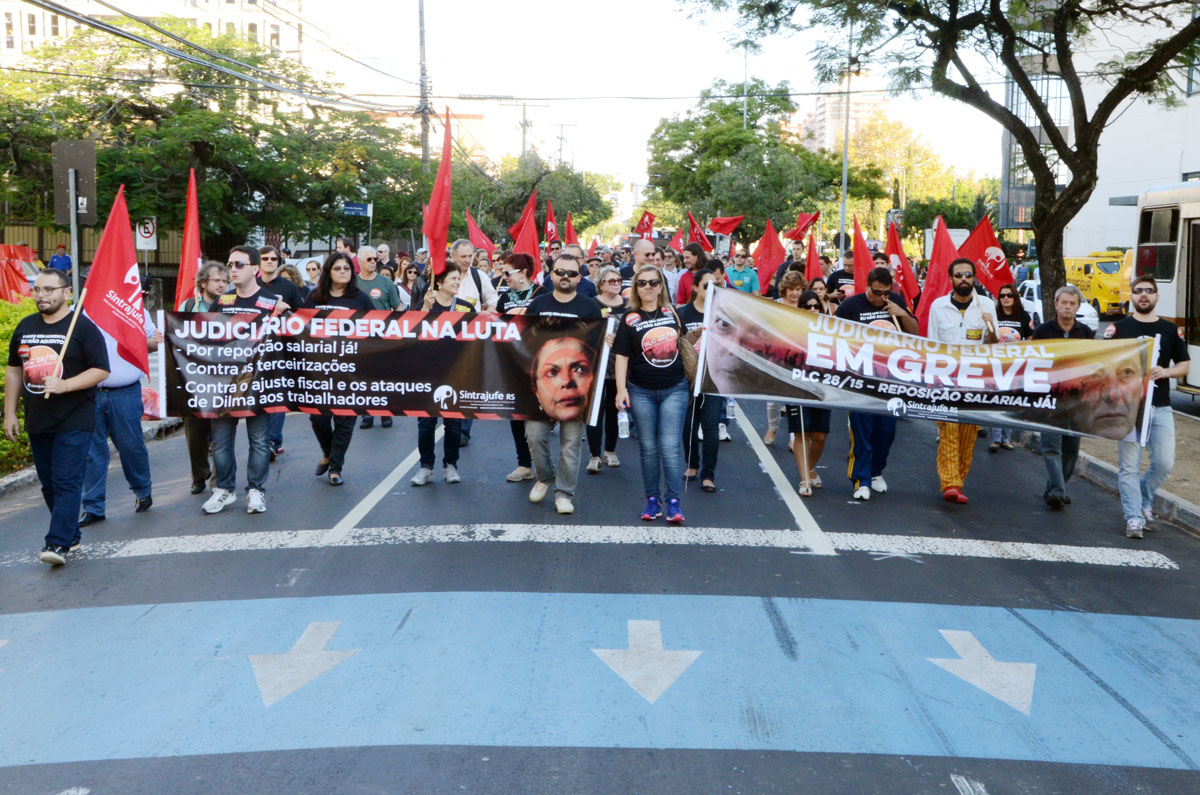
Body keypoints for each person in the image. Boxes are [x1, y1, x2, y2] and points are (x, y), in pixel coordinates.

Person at [5, 269, 110, 565]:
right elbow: (15, 370)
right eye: (37, 290)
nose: (42, 296)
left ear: (67, 293)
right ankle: (70, 533)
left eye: (49, 290)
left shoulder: (83, 328)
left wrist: (65, 385)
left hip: (74, 417)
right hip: (38, 417)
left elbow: (101, 369)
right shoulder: (25, 327)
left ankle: (57, 543)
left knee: (67, 480)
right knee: (49, 483)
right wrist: (10, 412)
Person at [202, 246, 282, 515]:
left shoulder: (272, 302)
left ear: (255, 269)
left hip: (259, 383)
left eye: (238, 264)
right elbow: (204, 335)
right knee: (222, 441)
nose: (232, 270)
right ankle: (224, 489)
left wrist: (281, 316)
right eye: (230, 264)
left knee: (259, 440)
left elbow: (289, 340)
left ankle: (256, 490)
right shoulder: (222, 301)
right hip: (225, 383)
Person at [1109, 274, 1189, 538]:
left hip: (1161, 406)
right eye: (1138, 290)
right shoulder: (1119, 329)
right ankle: (1133, 517)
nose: (1143, 294)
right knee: (1129, 465)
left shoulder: (1168, 329)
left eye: (1149, 290)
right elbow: (1104, 365)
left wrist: (1164, 373)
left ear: (1156, 296)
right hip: (1129, 407)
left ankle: (1143, 498)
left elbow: (1185, 365)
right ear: (1131, 296)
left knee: (1165, 461)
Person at [523, 252, 602, 514]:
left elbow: (596, 346)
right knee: (534, 437)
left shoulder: (590, 307)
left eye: (571, 273)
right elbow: (523, 341)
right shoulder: (538, 303)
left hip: (576, 387)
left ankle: (564, 493)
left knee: (571, 444)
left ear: (579, 277)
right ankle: (545, 477)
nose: (565, 277)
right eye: (560, 272)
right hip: (543, 386)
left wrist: (607, 340)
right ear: (551, 274)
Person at [77, 287, 162, 528]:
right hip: (88, 393)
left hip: (124, 392)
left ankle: (142, 491)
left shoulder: (133, 311)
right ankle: (93, 506)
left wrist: (130, 338)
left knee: (130, 445)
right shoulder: (77, 313)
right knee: (92, 453)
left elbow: (153, 344)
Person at [835, 267, 918, 500]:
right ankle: (861, 479)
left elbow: (915, 331)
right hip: (860, 379)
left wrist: (901, 313)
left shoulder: (895, 303)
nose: (882, 297)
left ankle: (875, 471)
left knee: (886, 431)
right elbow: (835, 338)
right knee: (862, 432)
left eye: (886, 293)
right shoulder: (850, 307)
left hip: (889, 380)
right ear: (867, 286)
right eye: (877, 292)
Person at [616, 264, 689, 523]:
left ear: (661, 287)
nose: (648, 287)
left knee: (670, 448)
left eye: (653, 282)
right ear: (635, 287)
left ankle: (673, 502)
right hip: (640, 391)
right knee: (648, 448)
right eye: (642, 283)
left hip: (675, 389)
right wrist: (621, 389)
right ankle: (652, 500)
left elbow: (687, 344)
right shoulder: (628, 319)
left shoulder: (673, 313)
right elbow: (622, 356)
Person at [927, 258, 998, 503]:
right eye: (959, 275)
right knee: (948, 430)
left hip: (975, 382)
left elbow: (994, 347)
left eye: (968, 274)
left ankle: (959, 481)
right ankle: (950, 483)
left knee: (968, 433)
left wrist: (990, 329)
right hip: (946, 380)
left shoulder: (987, 304)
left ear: (975, 277)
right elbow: (932, 344)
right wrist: (932, 381)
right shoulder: (938, 307)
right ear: (951, 279)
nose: (964, 279)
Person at [301, 253, 374, 486]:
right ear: (328, 272)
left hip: (350, 371)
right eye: (338, 268)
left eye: (347, 268)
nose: (343, 272)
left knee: (345, 420)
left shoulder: (361, 299)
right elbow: (299, 325)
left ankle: (335, 467)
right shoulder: (315, 297)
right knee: (318, 418)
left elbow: (378, 326)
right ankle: (328, 452)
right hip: (320, 370)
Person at [410, 264, 475, 487]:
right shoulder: (426, 305)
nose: (457, 282)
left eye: (459, 278)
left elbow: (478, 338)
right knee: (426, 423)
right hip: (428, 373)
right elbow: (413, 333)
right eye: (453, 278)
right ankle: (426, 467)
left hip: (456, 373)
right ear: (439, 282)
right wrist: (424, 310)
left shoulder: (466, 308)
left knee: (454, 424)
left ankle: (451, 466)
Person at [1031, 284, 1094, 509]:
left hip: (1076, 401)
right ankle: (1058, 491)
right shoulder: (1042, 332)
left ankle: (1055, 487)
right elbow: (1032, 363)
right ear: (1056, 304)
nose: (1067, 307)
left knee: (1071, 449)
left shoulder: (1086, 333)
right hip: (1050, 400)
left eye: (1072, 304)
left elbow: (1092, 364)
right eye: (1064, 303)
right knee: (1050, 446)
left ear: (1077, 307)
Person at [180, 262, 228, 494]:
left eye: (224, 281)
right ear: (203, 283)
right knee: (196, 434)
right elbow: (175, 333)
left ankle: (218, 481)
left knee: (221, 432)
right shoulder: (188, 306)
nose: (222, 284)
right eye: (217, 280)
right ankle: (199, 475)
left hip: (223, 380)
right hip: (194, 380)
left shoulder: (231, 306)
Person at [496, 253, 544, 483]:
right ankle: (524, 465)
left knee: (539, 415)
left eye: (508, 273)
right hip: (513, 363)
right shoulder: (504, 298)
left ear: (524, 272)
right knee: (516, 413)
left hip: (540, 364)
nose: (504, 277)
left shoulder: (543, 295)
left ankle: (543, 464)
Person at [679, 269, 722, 492]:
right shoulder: (684, 313)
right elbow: (677, 343)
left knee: (711, 426)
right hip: (688, 378)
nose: (711, 290)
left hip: (714, 377)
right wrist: (693, 334)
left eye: (716, 285)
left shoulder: (722, 312)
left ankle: (708, 474)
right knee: (688, 424)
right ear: (695, 287)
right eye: (707, 285)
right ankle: (692, 463)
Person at [586, 265, 628, 474]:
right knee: (595, 410)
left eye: (619, 280)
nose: (617, 284)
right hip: (596, 363)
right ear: (601, 284)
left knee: (614, 408)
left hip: (618, 365)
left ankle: (610, 450)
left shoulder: (629, 306)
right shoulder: (592, 305)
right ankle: (594, 455)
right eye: (611, 281)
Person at [794, 289, 833, 496]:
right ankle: (804, 480)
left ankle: (810, 468)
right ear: (800, 308)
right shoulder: (791, 328)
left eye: (815, 306)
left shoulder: (830, 329)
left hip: (823, 387)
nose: (812, 309)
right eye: (807, 306)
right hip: (798, 386)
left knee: (820, 435)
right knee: (802, 431)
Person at [989, 282, 1032, 452]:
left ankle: (1006, 439)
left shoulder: (1023, 316)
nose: (1006, 298)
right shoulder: (994, 314)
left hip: (1015, 365)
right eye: (1002, 295)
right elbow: (988, 337)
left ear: (1015, 297)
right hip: (996, 363)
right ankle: (995, 439)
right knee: (996, 400)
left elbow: (1030, 337)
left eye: (1009, 295)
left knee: (1010, 401)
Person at [450, 239, 499, 312]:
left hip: (472, 322)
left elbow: (493, 300)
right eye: (463, 256)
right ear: (453, 256)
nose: (468, 260)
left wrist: (489, 311)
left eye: (470, 256)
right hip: (447, 322)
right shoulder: (442, 277)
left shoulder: (480, 276)